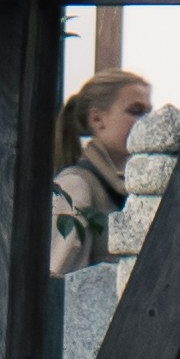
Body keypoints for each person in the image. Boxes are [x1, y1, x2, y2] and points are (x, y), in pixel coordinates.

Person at [52, 67, 150, 271]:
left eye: (148, 113)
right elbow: (60, 282)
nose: (146, 123)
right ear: (97, 119)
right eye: (135, 111)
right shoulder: (75, 186)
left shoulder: (133, 188)